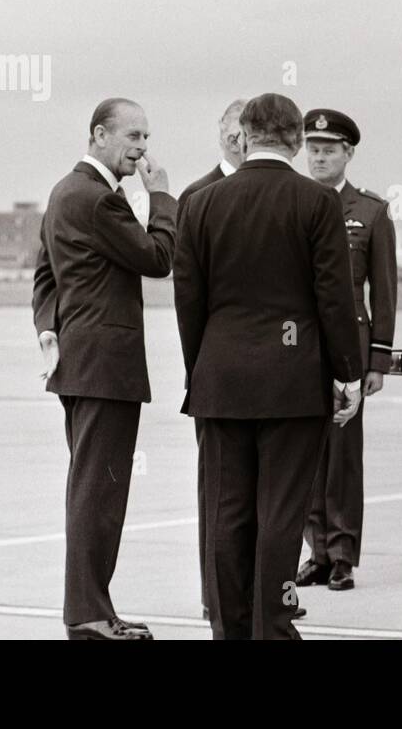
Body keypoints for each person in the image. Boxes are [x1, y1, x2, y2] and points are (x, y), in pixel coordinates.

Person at [174, 93, 363, 640]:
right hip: (291, 381)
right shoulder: (317, 202)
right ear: (297, 140)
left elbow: (189, 301)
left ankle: (230, 630)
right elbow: (334, 298)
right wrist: (346, 374)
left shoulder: (201, 203)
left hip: (220, 378)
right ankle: (272, 627)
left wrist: (202, 368)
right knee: (280, 514)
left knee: (227, 513)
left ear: (246, 136)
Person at [31, 97, 176, 640]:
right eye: (133, 137)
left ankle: (94, 608)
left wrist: (51, 328)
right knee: (99, 493)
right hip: (104, 367)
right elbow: (158, 258)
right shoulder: (97, 199)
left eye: (145, 137)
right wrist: (161, 195)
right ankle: (89, 616)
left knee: (93, 489)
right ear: (99, 136)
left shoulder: (63, 192)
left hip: (81, 363)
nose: (142, 149)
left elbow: (44, 274)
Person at [295, 109, 397, 593]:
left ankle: (342, 554)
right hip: (299, 348)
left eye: (328, 150)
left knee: (343, 454)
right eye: (312, 149)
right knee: (304, 452)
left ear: (348, 153)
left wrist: (378, 360)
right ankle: (315, 551)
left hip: (350, 349)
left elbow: (385, 291)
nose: (318, 157)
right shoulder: (291, 201)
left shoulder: (371, 211)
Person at [175, 97, 246, 620]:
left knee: (266, 496)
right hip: (217, 373)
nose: (241, 138)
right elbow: (188, 296)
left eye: (251, 128)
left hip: (269, 371)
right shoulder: (196, 196)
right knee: (218, 494)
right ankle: (215, 594)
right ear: (221, 133)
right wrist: (196, 369)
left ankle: (266, 590)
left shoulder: (287, 194)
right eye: (234, 128)